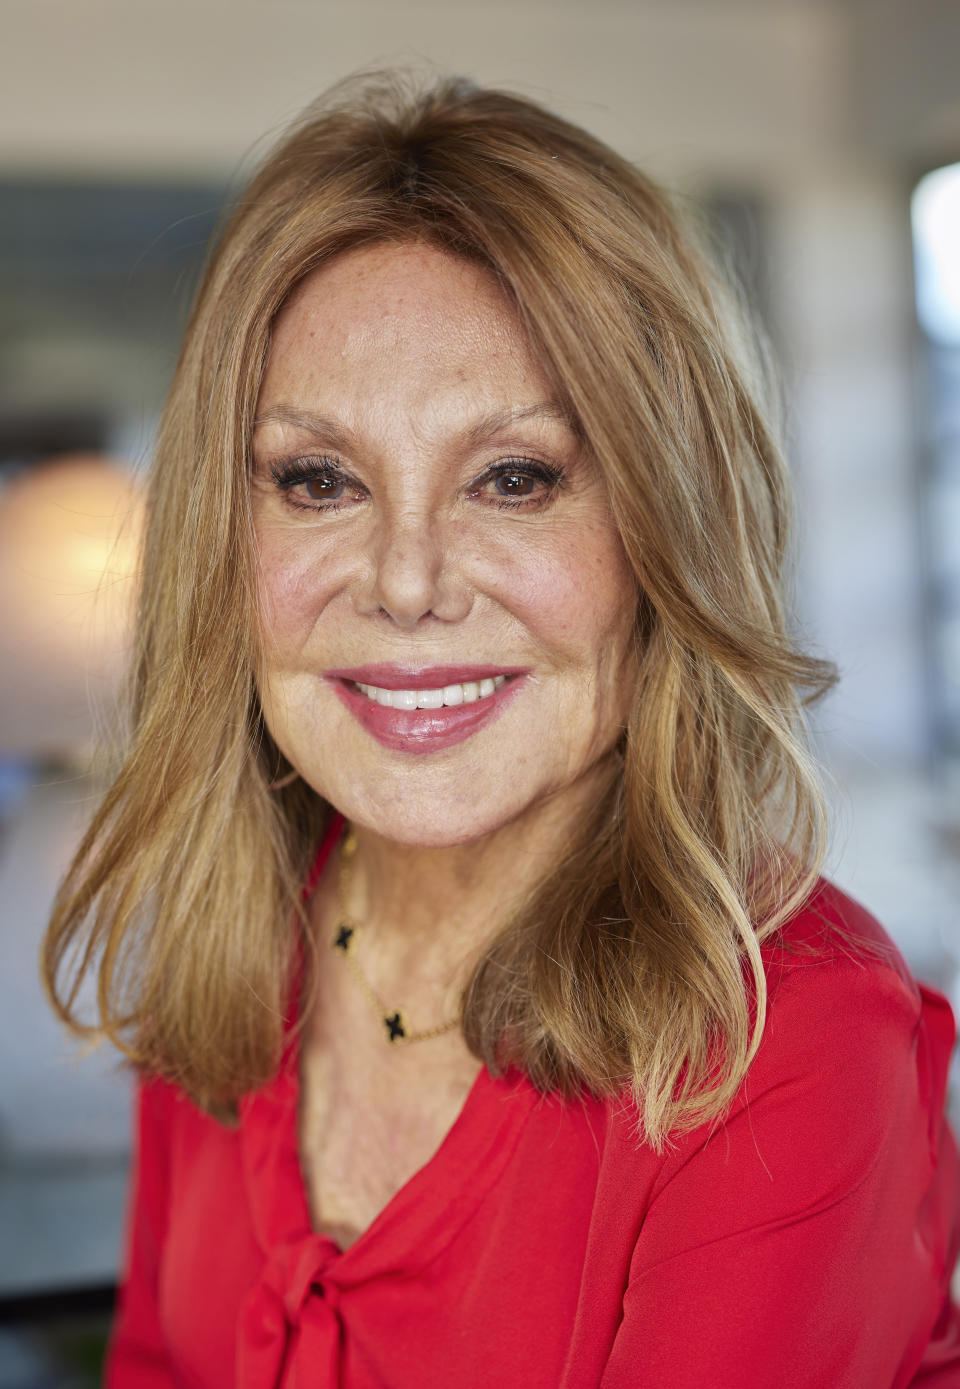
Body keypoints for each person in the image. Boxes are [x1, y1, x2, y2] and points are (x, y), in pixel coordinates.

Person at [43, 73, 959, 1387]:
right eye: (319, 479)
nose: (408, 579)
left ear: (663, 535)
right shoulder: (236, 946)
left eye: (513, 476)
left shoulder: (792, 1042)